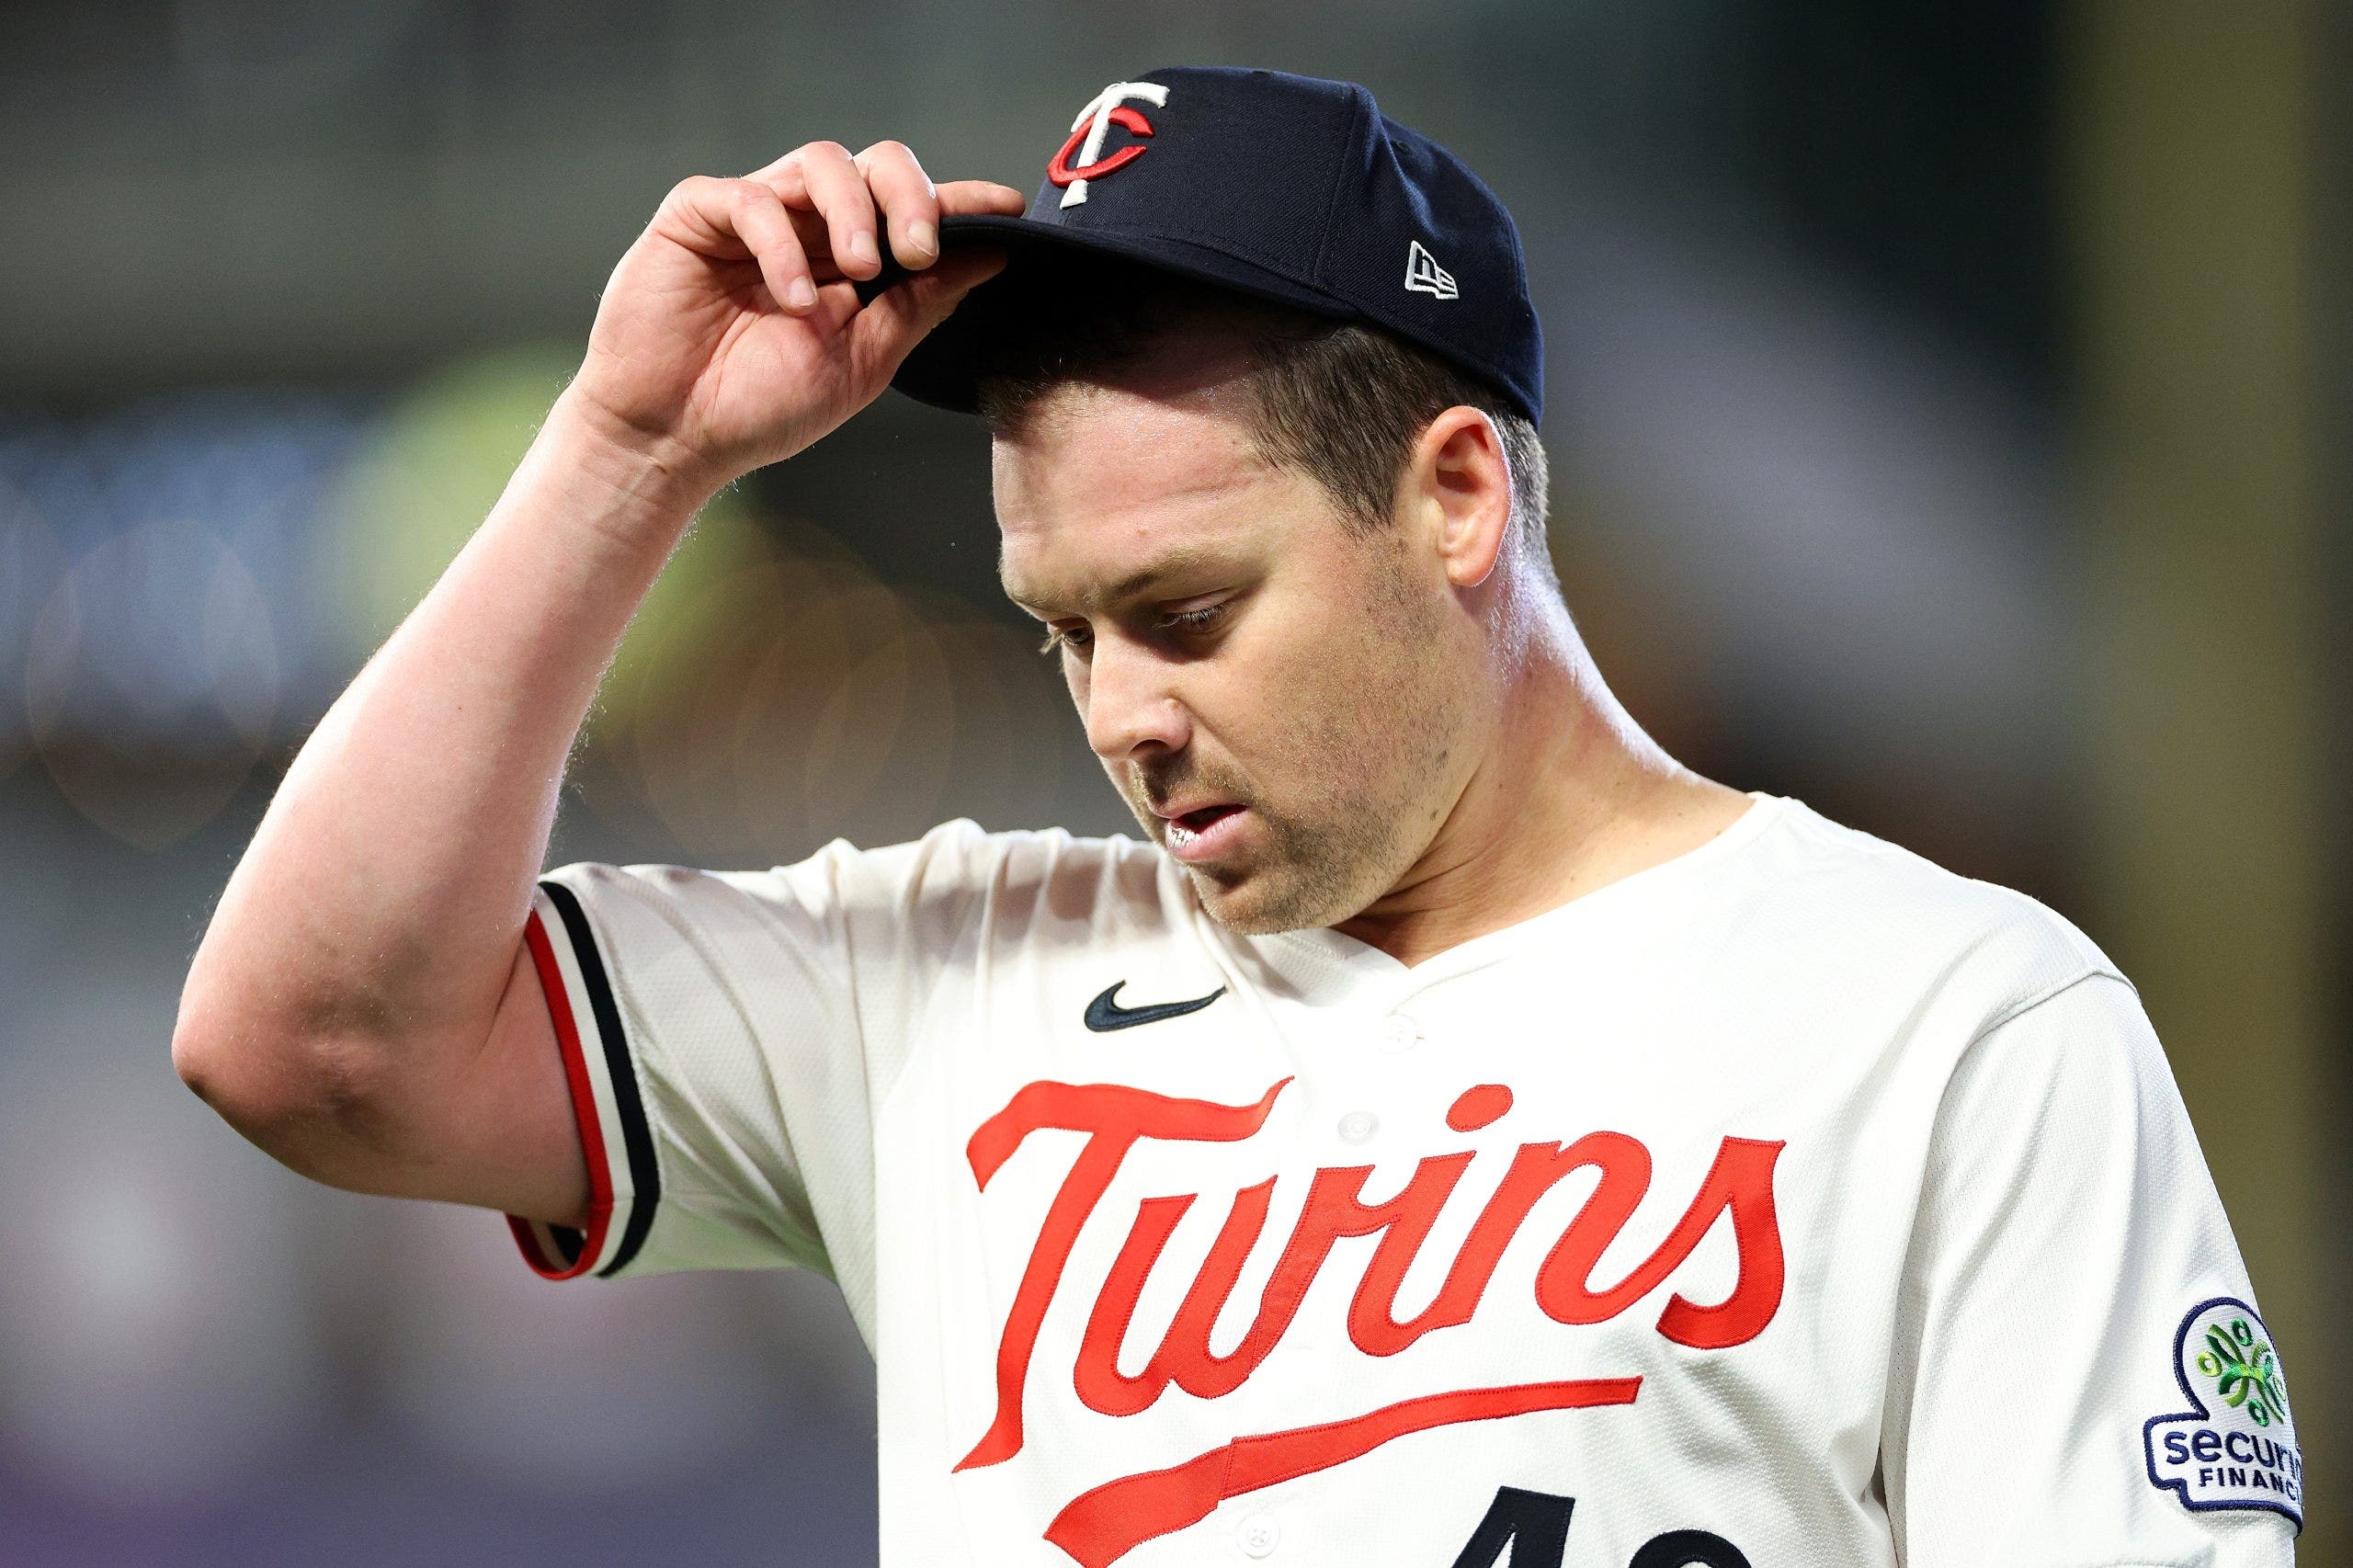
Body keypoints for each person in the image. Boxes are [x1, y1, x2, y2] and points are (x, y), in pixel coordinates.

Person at [175, 66, 2298, 1567]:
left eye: (1183, 612)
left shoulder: (1946, 1024)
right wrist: (630, 450)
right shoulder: (942, 975)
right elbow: (311, 1042)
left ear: (1450, 497)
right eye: (1063, 632)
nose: (1120, 713)